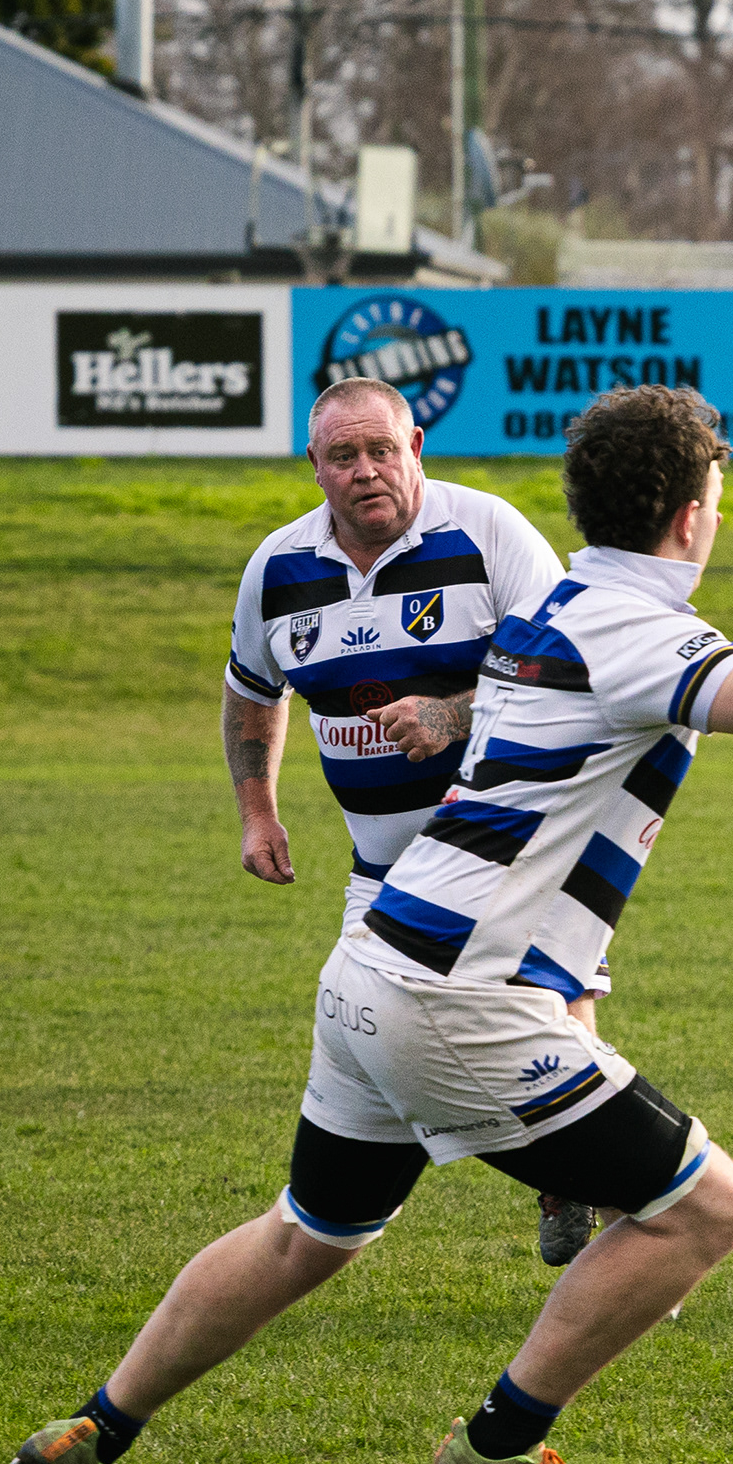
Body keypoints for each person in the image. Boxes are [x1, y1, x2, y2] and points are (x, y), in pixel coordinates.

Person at [14, 388, 733, 1464]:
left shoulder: (562, 603)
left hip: (375, 964)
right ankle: (497, 1450)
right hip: (457, 994)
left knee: (309, 1231)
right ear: (692, 514)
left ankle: (95, 1427)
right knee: (703, 1209)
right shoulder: (623, 624)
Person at [222, 378, 588, 1259]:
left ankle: (598, 1201)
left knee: (554, 1013)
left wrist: (452, 714)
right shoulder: (278, 569)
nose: (366, 471)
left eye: (382, 450)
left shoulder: (489, 532)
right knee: (364, 1039)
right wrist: (258, 811)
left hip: (514, 852)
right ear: (314, 466)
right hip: (381, 874)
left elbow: (575, 672)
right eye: (343, 456)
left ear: (415, 446)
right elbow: (252, 693)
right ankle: (330, 1218)